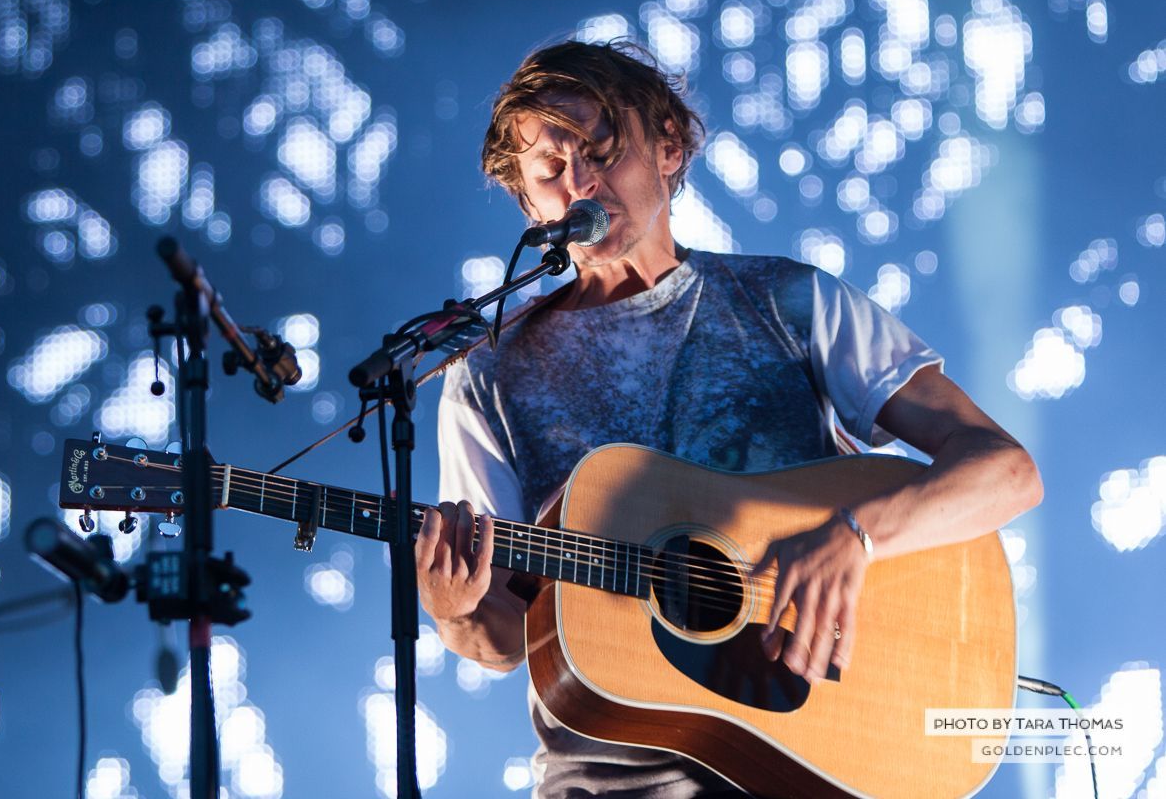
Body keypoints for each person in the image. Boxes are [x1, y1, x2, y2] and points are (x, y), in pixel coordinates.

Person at [415, 40, 1044, 798]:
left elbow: (1006, 474)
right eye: (550, 171)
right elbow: (510, 635)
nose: (580, 182)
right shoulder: (488, 370)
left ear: (669, 147)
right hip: (612, 776)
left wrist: (857, 536)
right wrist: (454, 613)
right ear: (528, 202)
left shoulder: (790, 301)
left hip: (814, 753)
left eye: (603, 150)